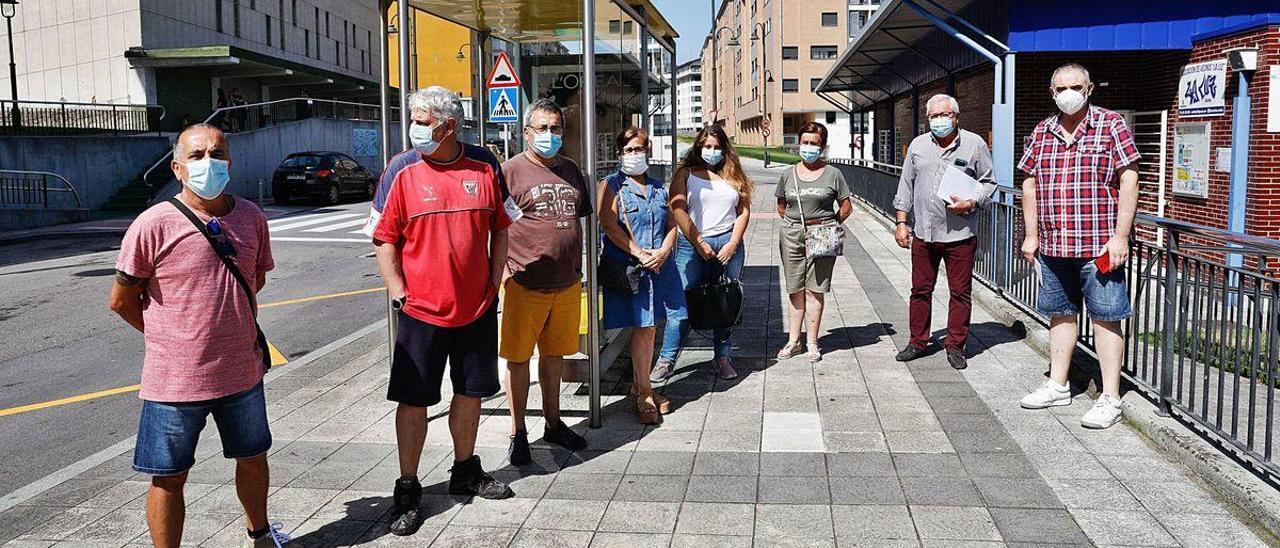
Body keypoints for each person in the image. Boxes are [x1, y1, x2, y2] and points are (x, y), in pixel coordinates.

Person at [109, 124, 288, 548]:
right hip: (174, 381)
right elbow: (121, 299)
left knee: (253, 457)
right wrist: (172, 336)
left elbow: (254, 278)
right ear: (177, 167)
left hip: (241, 372)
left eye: (218, 152)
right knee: (168, 477)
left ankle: (260, 534)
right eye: (197, 155)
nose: (210, 162)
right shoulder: (152, 224)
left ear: (230, 160)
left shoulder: (251, 216)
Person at [372, 86, 515, 537]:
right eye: (413, 118)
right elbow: (383, 236)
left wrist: (496, 281)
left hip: (475, 310)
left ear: (449, 125)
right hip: (420, 312)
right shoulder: (401, 169)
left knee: (471, 393)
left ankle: (465, 470)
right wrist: (397, 289)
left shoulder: (486, 164)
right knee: (413, 400)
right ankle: (409, 487)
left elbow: (502, 226)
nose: (415, 128)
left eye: (423, 120)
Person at [1017, 63, 1140, 430]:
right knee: (1060, 314)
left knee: (1105, 317)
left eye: (1075, 86)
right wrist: (1031, 234)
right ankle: (1058, 384)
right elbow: (1029, 185)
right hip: (1055, 244)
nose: (1067, 93)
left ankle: (1110, 396)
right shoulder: (1043, 130)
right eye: (1060, 88)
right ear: (1051, 93)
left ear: (1089, 89)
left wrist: (1121, 236)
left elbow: (1129, 179)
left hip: (1099, 245)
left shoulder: (1110, 124)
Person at [500, 98, 591, 464]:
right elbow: (493, 229)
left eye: (555, 129)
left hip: (566, 285)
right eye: (542, 128)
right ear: (526, 132)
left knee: (554, 357)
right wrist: (505, 277)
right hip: (524, 284)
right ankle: (518, 431)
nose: (549, 135)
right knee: (519, 360)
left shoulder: (571, 170)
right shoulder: (510, 172)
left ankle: (553, 424)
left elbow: (580, 222)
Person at [892, 94, 996, 370]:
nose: (939, 121)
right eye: (934, 117)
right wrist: (901, 222)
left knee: (960, 292)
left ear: (957, 117)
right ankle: (918, 342)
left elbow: (989, 183)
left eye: (945, 115)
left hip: (960, 234)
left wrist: (972, 202)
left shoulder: (974, 144)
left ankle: (956, 345)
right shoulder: (917, 145)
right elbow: (906, 186)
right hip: (924, 233)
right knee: (920, 290)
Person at [599, 127, 683, 424]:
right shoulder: (611, 185)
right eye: (630, 150)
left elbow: (672, 224)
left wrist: (662, 251)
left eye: (642, 149)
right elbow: (609, 225)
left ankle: (641, 386)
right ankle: (644, 391)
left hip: (658, 267)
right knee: (642, 326)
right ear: (620, 153)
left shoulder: (659, 187)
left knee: (651, 327)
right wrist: (638, 252)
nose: (637, 155)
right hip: (631, 267)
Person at [657, 124, 753, 382]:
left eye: (717, 147)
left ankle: (722, 357)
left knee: (725, 301)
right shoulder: (686, 174)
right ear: (698, 147)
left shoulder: (733, 174)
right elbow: (678, 210)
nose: (712, 152)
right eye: (707, 146)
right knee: (682, 301)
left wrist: (733, 242)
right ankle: (667, 359)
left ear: (724, 149)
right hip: (693, 244)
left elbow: (743, 210)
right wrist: (698, 241)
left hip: (728, 245)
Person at [775, 121, 852, 363]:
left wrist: (828, 224)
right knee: (794, 288)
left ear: (823, 147)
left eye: (814, 144)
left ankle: (812, 342)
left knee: (815, 289)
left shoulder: (833, 174)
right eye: (805, 143)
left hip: (822, 235)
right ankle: (793, 340)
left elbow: (846, 207)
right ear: (799, 144)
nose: (808, 147)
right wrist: (798, 225)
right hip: (792, 234)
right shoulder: (788, 174)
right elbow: (781, 206)